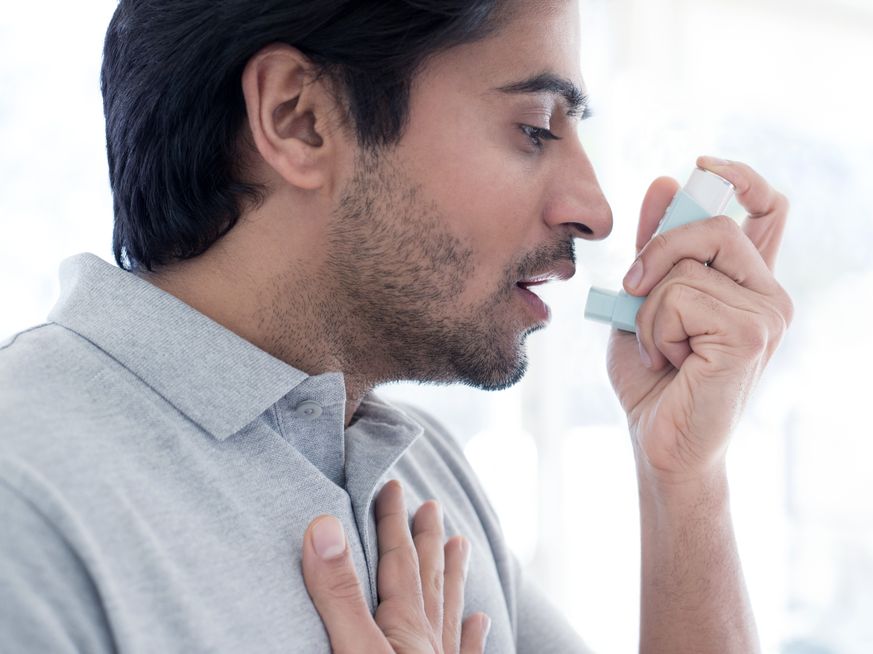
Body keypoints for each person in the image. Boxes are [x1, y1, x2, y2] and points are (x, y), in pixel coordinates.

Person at [0, 0, 792, 652]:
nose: (594, 210)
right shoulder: (24, 496)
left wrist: (681, 475)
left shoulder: (423, 484)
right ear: (299, 118)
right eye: (536, 128)